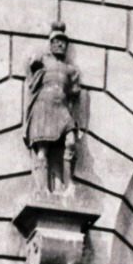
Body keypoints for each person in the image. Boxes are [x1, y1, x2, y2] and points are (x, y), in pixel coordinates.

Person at [24, 24, 81, 191]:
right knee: (43, 150)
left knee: (70, 143)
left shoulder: (71, 70)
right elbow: (32, 78)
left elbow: (73, 96)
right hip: (44, 107)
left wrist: (76, 120)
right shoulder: (43, 61)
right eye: (57, 41)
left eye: (63, 42)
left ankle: (68, 184)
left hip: (62, 108)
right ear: (51, 43)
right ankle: (43, 189)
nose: (60, 45)